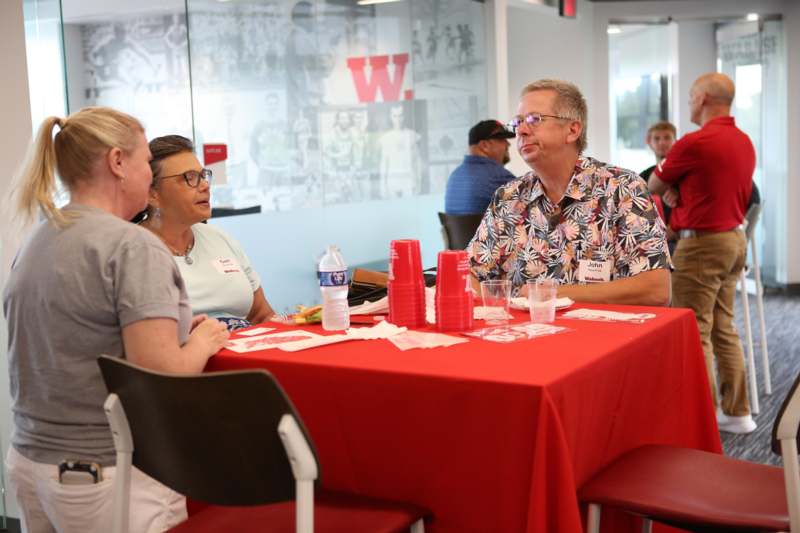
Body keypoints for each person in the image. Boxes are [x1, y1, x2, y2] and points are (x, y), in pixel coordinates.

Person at [3, 107, 229, 533]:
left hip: (32, 464)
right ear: (117, 163)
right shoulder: (131, 246)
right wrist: (204, 341)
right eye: (146, 161)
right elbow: (161, 373)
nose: (149, 174)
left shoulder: (38, 237)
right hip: (105, 470)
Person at [468, 79, 671, 306]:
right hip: (523, 336)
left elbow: (656, 290)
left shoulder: (622, 189)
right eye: (518, 122)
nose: (522, 131)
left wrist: (552, 294)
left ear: (572, 130)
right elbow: (471, 275)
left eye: (535, 119)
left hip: (601, 337)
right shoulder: (508, 198)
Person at [649, 72, 756, 434]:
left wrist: (672, 189)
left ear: (704, 97)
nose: (689, 101)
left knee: (695, 329)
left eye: (692, 94)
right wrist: (682, 190)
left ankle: (703, 418)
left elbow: (653, 183)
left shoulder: (695, 142)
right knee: (724, 326)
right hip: (733, 239)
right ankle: (738, 412)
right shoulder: (743, 141)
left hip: (702, 246)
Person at [138, 135, 276, 330]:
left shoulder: (219, 238)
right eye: (189, 178)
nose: (205, 185)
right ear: (153, 194)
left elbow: (262, 315)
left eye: (203, 175)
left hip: (246, 354)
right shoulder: (133, 251)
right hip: (186, 358)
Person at [444, 119, 516, 215]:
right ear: (484, 145)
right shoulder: (500, 176)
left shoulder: (454, 176)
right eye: (501, 139)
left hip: (462, 230)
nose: (508, 144)